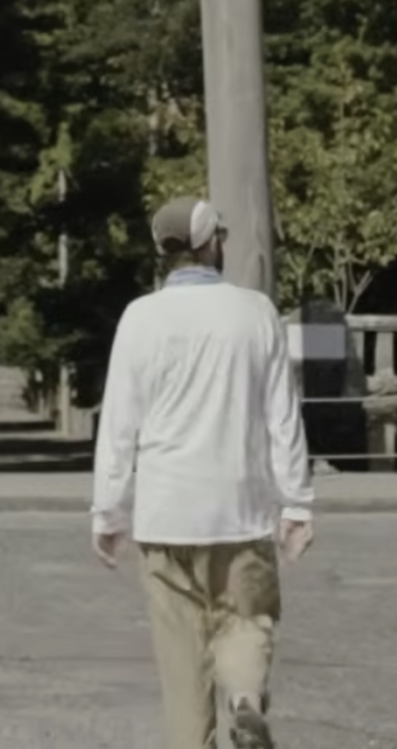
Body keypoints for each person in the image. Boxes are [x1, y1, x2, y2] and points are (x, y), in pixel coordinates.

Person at [90, 196, 315, 749]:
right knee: (246, 622)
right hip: (239, 511)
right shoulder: (255, 311)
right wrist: (296, 503)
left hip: (165, 515)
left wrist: (108, 510)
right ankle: (244, 700)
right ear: (212, 242)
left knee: (181, 660)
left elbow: (120, 423)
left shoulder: (140, 317)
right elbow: (282, 414)